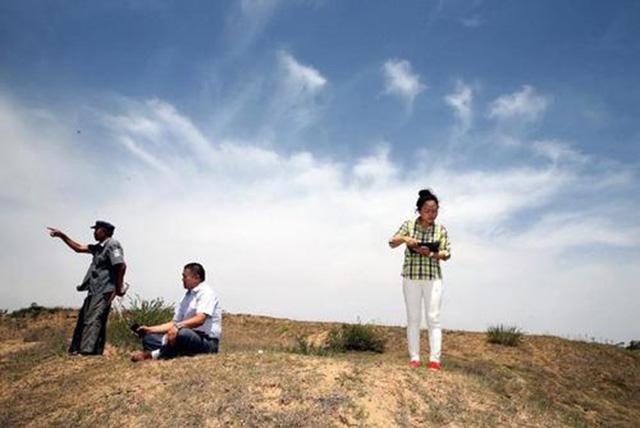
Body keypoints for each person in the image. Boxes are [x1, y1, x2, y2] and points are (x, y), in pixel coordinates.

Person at [389, 189, 451, 370]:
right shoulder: (409, 225)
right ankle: (414, 358)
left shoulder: (441, 230)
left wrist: (431, 253)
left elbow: (447, 254)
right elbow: (392, 242)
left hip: (433, 278)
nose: (432, 214)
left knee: (433, 318)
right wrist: (405, 239)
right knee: (413, 318)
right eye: (428, 211)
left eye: (435, 210)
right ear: (419, 210)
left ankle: (435, 360)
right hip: (411, 277)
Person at [47, 220, 127, 355]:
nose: (94, 232)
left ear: (105, 231)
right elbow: (78, 248)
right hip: (94, 289)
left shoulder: (113, 245)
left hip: (105, 289)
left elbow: (121, 266)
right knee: (85, 318)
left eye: (97, 229)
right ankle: (82, 349)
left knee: (94, 319)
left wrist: (117, 289)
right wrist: (62, 236)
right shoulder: (98, 247)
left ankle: (88, 352)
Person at [130, 262, 222, 362]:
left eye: (185, 276)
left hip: (205, 341)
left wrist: (177, 327)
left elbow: (200, 319)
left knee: (182, 334)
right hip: (185, 337)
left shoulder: (206, 293)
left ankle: (152, 355)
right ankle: (172, 352)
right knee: (149, 338)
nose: (182, 279)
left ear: (196, 277)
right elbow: (174, 323)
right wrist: (149, 330)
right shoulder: (186, 296)